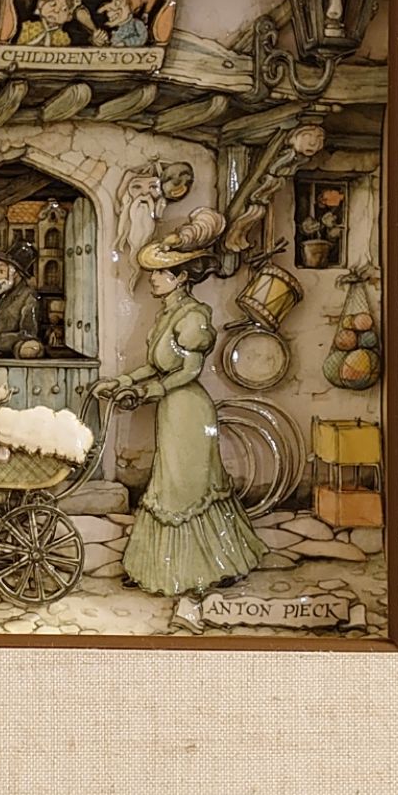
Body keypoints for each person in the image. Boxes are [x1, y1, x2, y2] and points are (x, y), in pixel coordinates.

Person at [98, 209, 268, 597]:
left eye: (161, 273)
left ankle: (212, 566)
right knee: (168, 483)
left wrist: (148, 392)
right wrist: (123, 381)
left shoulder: (193, 317)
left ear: (180, 278)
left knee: (187, 487)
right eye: (155, 273)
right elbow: (156, 365)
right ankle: (159, 567)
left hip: (189, 409)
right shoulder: (168, 314)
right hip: (172, 408)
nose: (153, 279)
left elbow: (189, 371)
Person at [0, 242, 45, 358]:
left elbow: (28, 335)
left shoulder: (29, 298)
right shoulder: (3, 296)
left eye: (1, 271)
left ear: (14, 273)